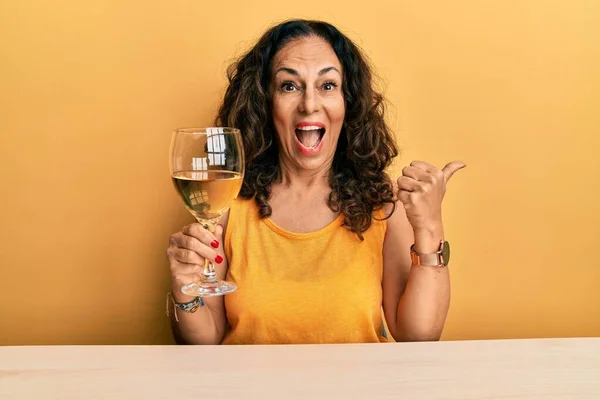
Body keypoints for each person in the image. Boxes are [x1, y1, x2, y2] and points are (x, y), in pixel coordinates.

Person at [165, 19, 465, 345]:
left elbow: (419, 335)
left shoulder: (382, 208)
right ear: (266, 102)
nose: (309, 104)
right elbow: (202, 343)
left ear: (347, 103)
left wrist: (430, 227)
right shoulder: (226, 205)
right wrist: (184, 290)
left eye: (327, 85)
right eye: (289, 86)